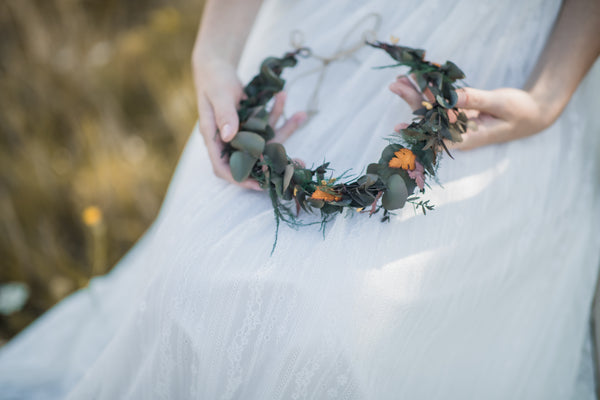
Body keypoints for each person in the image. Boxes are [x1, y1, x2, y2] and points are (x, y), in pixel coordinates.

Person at [1, 0, 599, 398]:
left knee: (346, 327)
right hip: (318, 37)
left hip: (503, 78)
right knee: (198, 287)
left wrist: (547, 97)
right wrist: (213, 53)